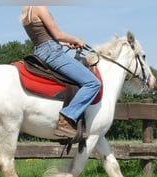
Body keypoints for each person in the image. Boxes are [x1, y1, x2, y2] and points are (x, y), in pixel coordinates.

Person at [20, 6, 101, 138]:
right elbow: (58, 34)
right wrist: (76, 39)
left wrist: (65, 44)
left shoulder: (25, 11)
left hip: (41, 51)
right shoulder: (40, 8)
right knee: (92, 83)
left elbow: (43, 37)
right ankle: (67, 118)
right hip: (52, 52)